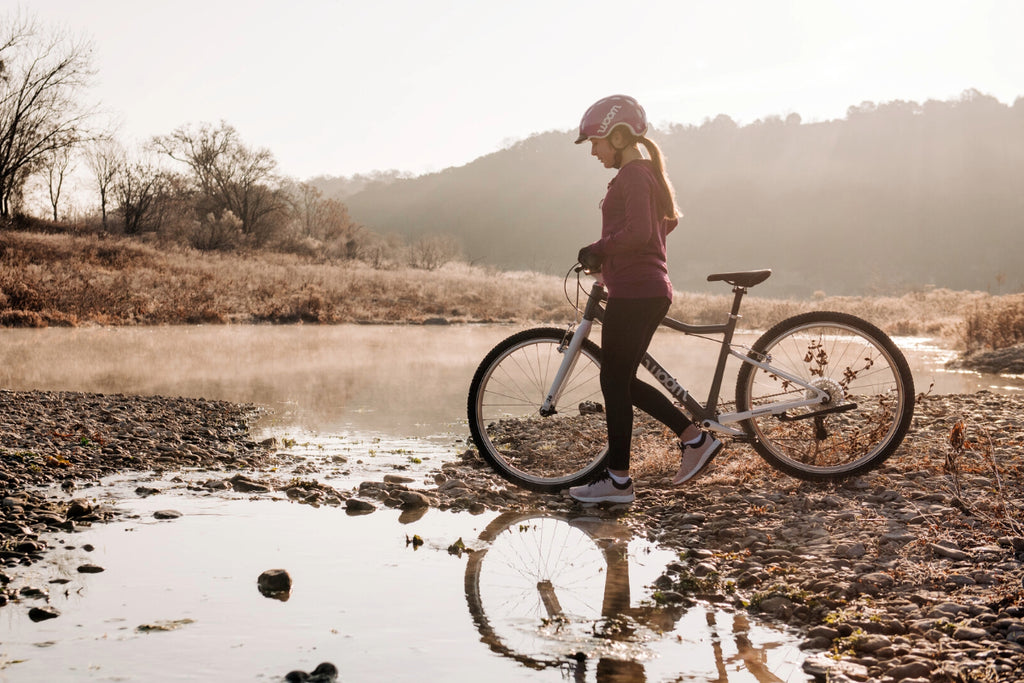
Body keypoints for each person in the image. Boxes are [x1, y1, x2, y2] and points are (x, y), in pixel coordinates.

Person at [568, 94, 722, 505]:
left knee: (614, 380)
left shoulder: (634, 174)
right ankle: (691, 440)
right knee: (620, 379)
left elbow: (639, 233)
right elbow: (661, 226)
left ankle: (620, 480)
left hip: (637, 291)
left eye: (596, 143)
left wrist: (601, 248)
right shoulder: (645, 173)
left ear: (617, 136)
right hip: (640, 286)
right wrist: (614, 257)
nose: (595, 152)